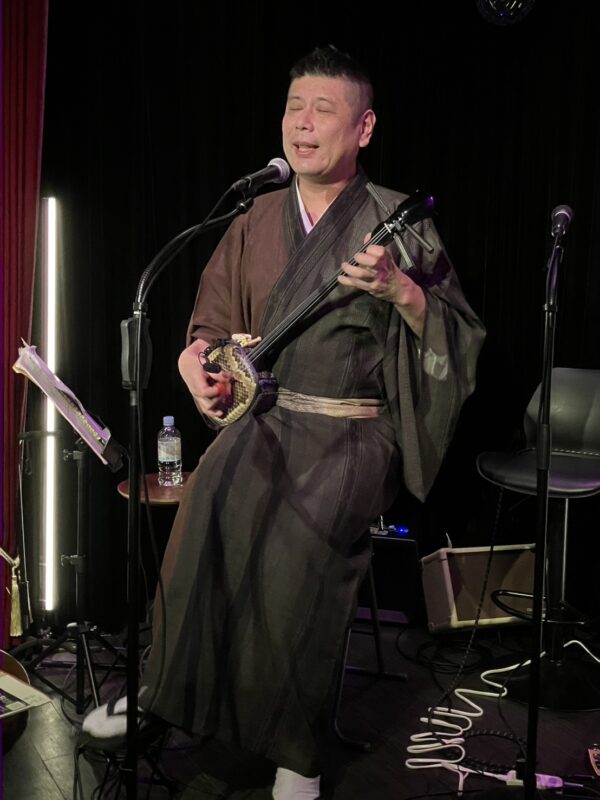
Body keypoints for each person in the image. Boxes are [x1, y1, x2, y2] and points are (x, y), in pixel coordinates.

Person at [84, 45, 485, 799]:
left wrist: (401, 290)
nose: (303, 124)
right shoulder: (256, 215)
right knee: (203, 507)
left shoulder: (394, 222)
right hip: (265, 415)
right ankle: (163, 698)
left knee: (302, 540)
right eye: (295, 108)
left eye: (323, 110)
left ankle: (295, 750)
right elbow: (209, 327)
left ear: (363, 128)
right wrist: (196, 365)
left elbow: (457, 339)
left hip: (350, 429)